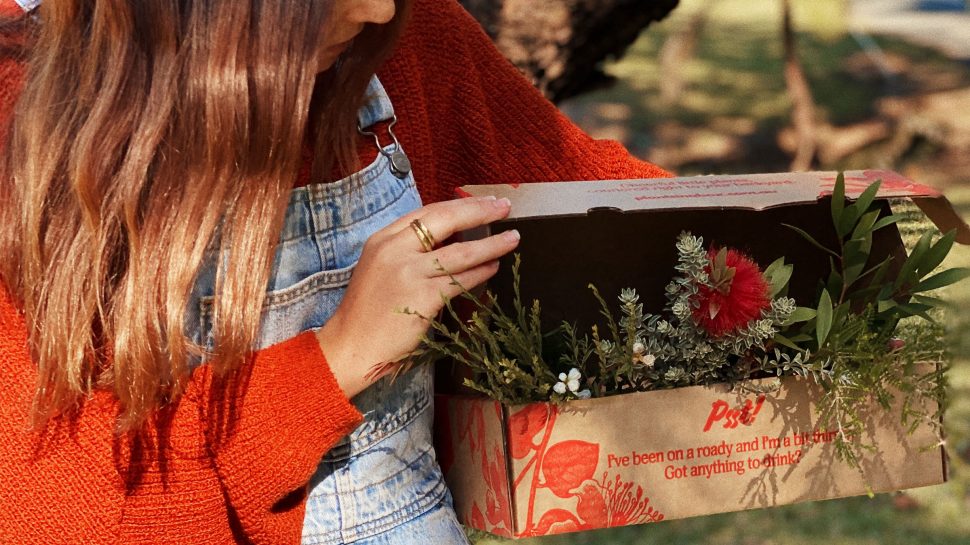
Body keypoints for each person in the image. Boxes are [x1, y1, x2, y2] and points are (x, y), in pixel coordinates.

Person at [0, 0, 670, 543]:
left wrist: (764, 225)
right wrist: (336, 358)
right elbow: (60, 505)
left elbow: (600, 196)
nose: (380, 10)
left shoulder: (410, 41)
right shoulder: (25, 111)